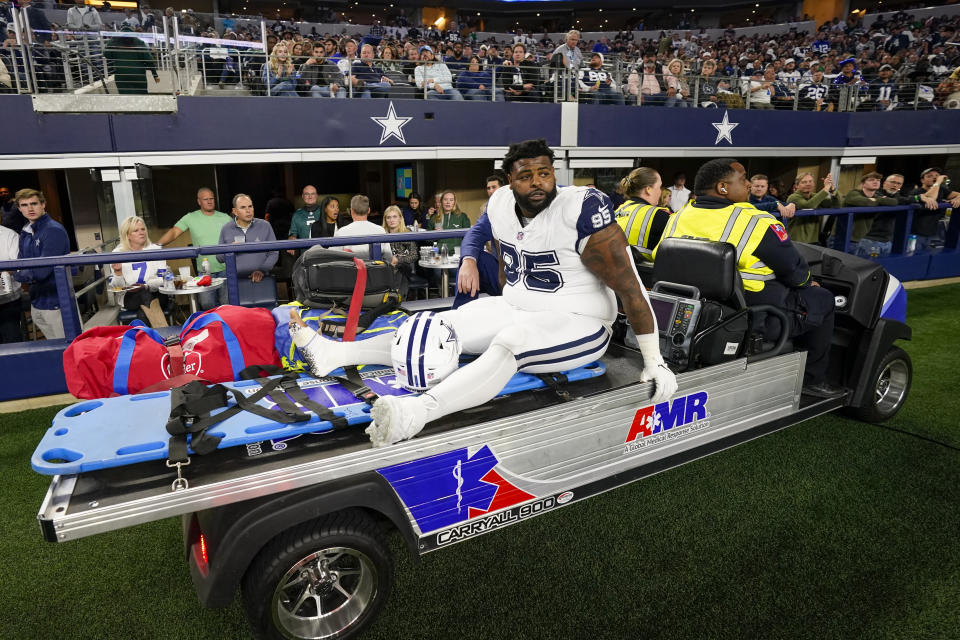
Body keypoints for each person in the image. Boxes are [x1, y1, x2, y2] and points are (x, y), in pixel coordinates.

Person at [290, 139, 677, 447]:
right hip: (518, 306)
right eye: (526, 176)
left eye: (545, 173)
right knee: (438, 324)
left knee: (511, 342)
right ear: (510, 180)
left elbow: (630, 288)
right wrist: (475, 264)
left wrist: (654, 360)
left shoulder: (579, 208)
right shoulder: (501, 204)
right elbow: (498, 250)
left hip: (581, 322)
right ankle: (335, 354)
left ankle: (417, 414)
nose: (538, 182)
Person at [655, 159, 843, 398]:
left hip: (697, 315)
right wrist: (809, 283)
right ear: (723, 188)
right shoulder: (756, 221)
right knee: (823, 298)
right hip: (757, 317)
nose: (748, 185)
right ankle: (812, 380)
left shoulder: (678, 216)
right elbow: (794, 271)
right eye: (743, 180)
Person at [156, 187, 231, 307]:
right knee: (207, 304)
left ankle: (225, 326)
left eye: (212, 198)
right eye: (206, 199)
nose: (210, 201)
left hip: (226, 269)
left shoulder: (225, 217)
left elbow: (236, 238)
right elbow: (174, 232)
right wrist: (156, 246)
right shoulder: (190, 217)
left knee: (226, 305)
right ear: (199, 201)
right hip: (205, 271)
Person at [13, 189, 70, 340]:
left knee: (68, 350)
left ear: (43, 204)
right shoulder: (25, 232)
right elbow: (19, 266)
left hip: (57, 302)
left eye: (34, 203)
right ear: (19, 208)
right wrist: (21, 273)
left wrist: (21, 273)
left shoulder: (53, 230)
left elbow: (41, 271)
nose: (30, 209)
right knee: (53, 350)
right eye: (24, 205)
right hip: (37, 302)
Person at [110, 215, 169, 328]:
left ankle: (143, 339)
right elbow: (117, 289)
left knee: (145, 300)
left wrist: (146, 286)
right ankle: (163, 334)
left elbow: (163, 280)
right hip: (130, 298)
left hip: (156, 294)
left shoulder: (155, 250)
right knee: (144, 296)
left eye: (143, 229)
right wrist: (118, 273)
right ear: (127, 235)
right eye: (136, 230)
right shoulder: (117, 253)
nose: (141, 232)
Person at [218, 193, 278, 286]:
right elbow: (219, 258)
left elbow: (274, 253)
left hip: (262, 279)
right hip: (236, 282)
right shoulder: (226, 229)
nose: (248, 210)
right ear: (235, 211)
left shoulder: (265, 225)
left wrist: (262, 270)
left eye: (250, 206)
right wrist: (230, 250)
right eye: (243, 207)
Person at [832, 172, 898, 253]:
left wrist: (877, 200)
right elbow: (867, 203)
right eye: (871, 180)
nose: (875, 182)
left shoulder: (877, 196)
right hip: (841, 238)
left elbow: (894, 202)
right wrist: (880, 201)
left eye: (878, 180)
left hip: (859, 240)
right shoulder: (853, 193)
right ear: (863, 184)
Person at [614, 167, 671, 262]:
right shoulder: (659, 215)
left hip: (614, 273)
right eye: (659, 187)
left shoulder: (617, 211)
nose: (660, 191)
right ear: (648, 189)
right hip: (644, 275)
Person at [908, 168, 960, 253]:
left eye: (937, 176)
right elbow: (931, 198)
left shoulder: (942, 190)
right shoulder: (916, 192)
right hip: (915, 234)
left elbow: (958, 194)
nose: (934, 178)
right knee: (911, 258)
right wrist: (938, 183)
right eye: (929, 176)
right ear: (922, 180)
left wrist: (958, 199)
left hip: (933, 234)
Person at [103, 25, 160, 95]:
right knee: (141, 97)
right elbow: (149, 60)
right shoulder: (139, 43)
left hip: (121, 76)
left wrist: (114, 37)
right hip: (138, 76)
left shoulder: (115, 42)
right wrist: (155, 75)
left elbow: (106, 54)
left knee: (125, 98)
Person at [785, 172, 838, 245]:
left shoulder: (815, 196)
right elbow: (808, 205)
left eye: (810, 181)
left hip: (813, 240)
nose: (808, 184)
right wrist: (826, 188)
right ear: (797, 186)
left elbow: (836, 205)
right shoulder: (793, 197)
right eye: (804, 182)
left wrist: (832, 190)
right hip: (797, 240)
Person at [333, 194, 392, 260]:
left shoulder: (341, 232)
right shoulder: (380, 230)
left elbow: (334, 258)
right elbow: (388, 258)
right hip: (375, 269)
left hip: (350, 269)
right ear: (369, 210)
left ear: (351, 211)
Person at [382, 205, 417, 297]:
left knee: (399, 270)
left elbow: (414, 256)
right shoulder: (381, 234)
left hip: (404, 268)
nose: (391, 220)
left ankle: (396, 297)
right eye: (388, 217)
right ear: (385, 220)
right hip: (386, 268)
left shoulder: (407, 233)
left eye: (394, 216)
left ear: (400, 218)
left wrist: (398, 260)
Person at [0, 222, 22, 342]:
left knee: (11, 343)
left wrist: (4, 271)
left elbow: (19, 266)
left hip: (7, 301)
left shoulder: (9, 235)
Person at [430, 190, 470, 255]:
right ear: (441, 202)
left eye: (451, 200)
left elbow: (468, 237)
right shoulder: (434, 218)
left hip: (457, 255)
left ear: (454, 202)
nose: (448, 202)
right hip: (439, 254)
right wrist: (434, 235)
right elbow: (427, 240)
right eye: (445, 199)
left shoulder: (462, 217)